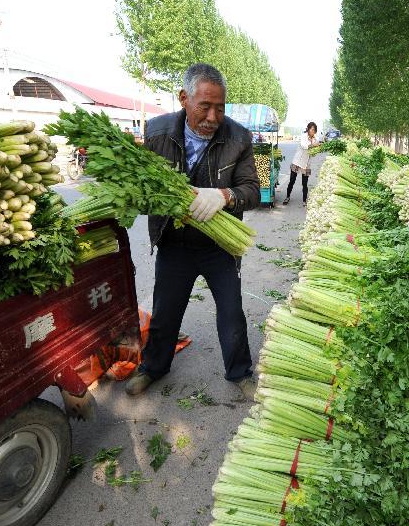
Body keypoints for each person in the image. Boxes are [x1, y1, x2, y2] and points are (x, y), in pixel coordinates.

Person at [126, 63, 260, 400]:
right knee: (165, 311)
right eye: (205, 106)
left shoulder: (239, 137)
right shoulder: (156, 133)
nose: (213, 117)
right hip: (175, 242)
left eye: (220, 107)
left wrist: (225, 196)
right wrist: (170, 202)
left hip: (219, 245)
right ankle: (153, 368)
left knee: (231, 313)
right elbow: (139, 193)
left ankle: (240, 373)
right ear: (184, 98)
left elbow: (253, 191)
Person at [283, 122, 320, 205]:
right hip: (297, 161)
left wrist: (317, 147)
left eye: (314, 130)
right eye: (312, 129)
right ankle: (287, 197)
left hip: (306, 163)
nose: (313, 132)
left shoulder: (315, 139)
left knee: (305, 183)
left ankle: (304, 200)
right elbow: (304, 146)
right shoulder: (303, 136)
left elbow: (315, 149)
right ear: (308, 129)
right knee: (292, 180)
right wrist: (314, 145)